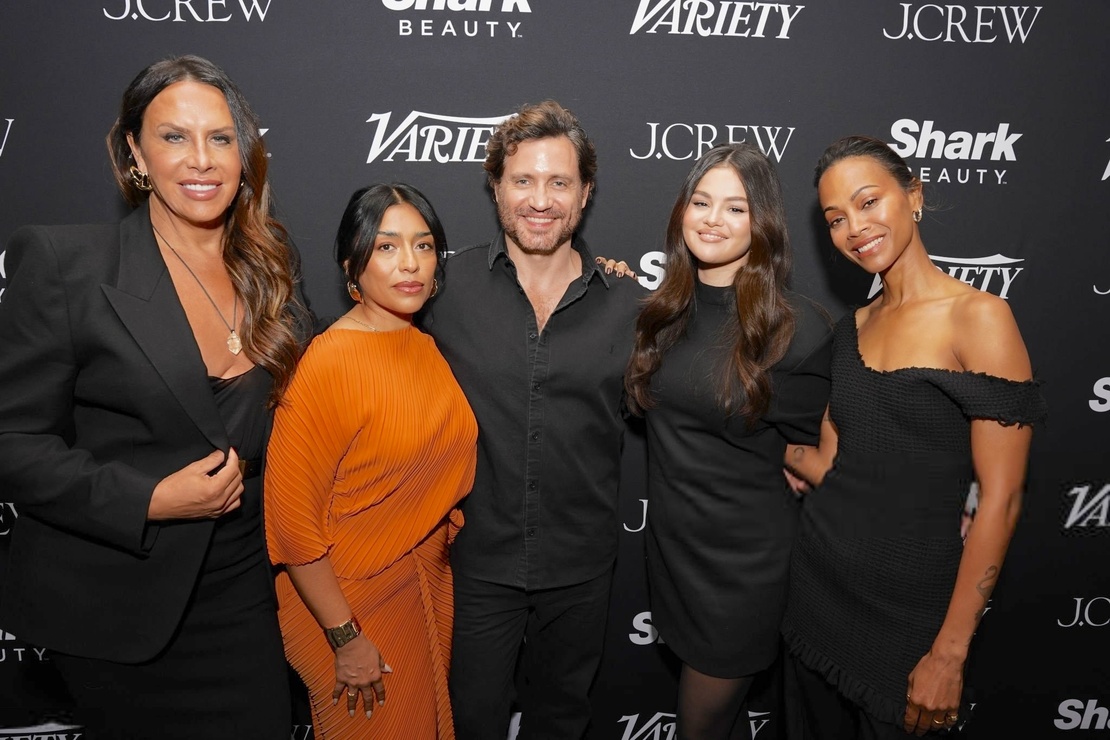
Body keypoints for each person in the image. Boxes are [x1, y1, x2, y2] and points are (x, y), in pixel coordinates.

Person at [0, 55, 309, 738]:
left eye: (220, 138)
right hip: (117, 605)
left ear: (244, 153)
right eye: (174, 137)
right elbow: (11, 444)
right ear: (135, 153)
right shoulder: (66, 264)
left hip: (244, 597)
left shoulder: (271, 271)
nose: (201, 159)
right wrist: (147, 500)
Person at [779, 135, 1047, 738]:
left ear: (915, 196)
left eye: (868, 202)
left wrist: (949, 654)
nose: (855, 228)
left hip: (911, 623)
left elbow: (1001, 500)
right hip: (815, 596)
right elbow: (833, 465)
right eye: (836, 219)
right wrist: (768, 446)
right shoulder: (851, 329)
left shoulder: (979, 318)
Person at [419, 100, 647, 740]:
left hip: (582, 567)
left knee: (563, 721)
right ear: (495, 186)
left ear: (585, 193)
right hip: (472, 562)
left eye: (559, 182)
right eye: (522, 180)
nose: (540, 200)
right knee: (471, 722)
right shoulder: (443, 288)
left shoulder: (631, 304)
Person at [621, 143, 833, 740]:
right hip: (674, 555)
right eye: (701, 202)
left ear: (762, 222)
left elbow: (831, 454)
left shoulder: (795, 329)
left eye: (736, 208)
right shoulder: (663, 313)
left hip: (744, 572)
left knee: (701, 726)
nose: (713, 219)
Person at [265, 183, 477, 740]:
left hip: (422, 583)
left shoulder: (423, 346)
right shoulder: (328, 363)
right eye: (386, 246)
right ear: (351, 266)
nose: (410, 263)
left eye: (423, 245)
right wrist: (345, 636)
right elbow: (293, 524)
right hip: (348, 603)